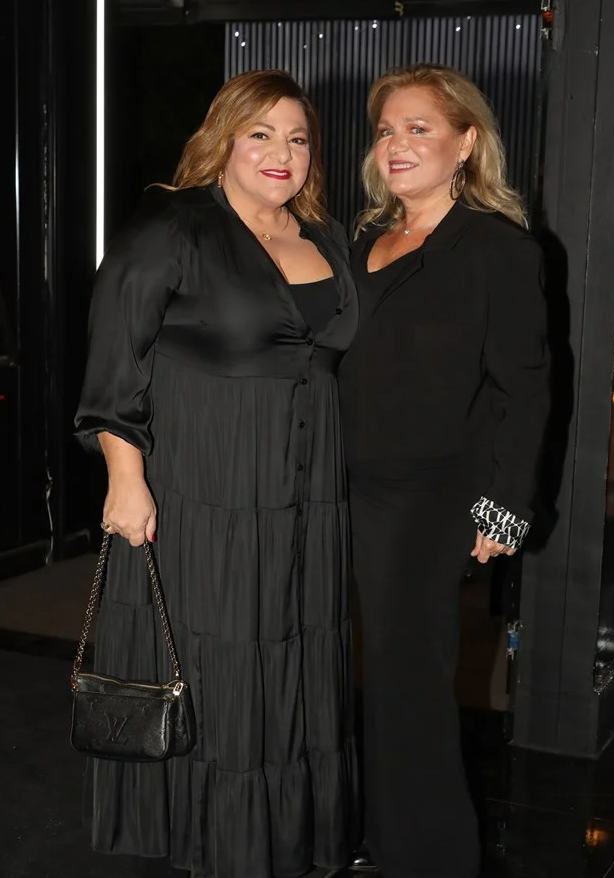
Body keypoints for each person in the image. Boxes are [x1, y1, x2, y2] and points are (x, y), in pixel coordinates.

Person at [75, 69, 359, 878]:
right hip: (208, 489)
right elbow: (115, 361)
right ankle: (219, 841)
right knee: (222, 658)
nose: (282, 152)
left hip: (309, 493)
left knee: (297, 654)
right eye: (260, 133)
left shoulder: (324, 236)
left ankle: (288, 835)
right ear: (223, 139)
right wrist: (125, 479)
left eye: (297, 137)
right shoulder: (174, 226)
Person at [338, 64, 549, 878]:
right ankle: (368, 833)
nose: (396, 143)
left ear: (466, 143)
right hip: (339, 487)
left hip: (427, 498)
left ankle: (428, 857)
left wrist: (503, 511)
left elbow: (525, 392)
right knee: (344, 671)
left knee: (408, 684)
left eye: (419, 127)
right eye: (387, 129)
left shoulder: (497, 248)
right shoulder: (361, 240)